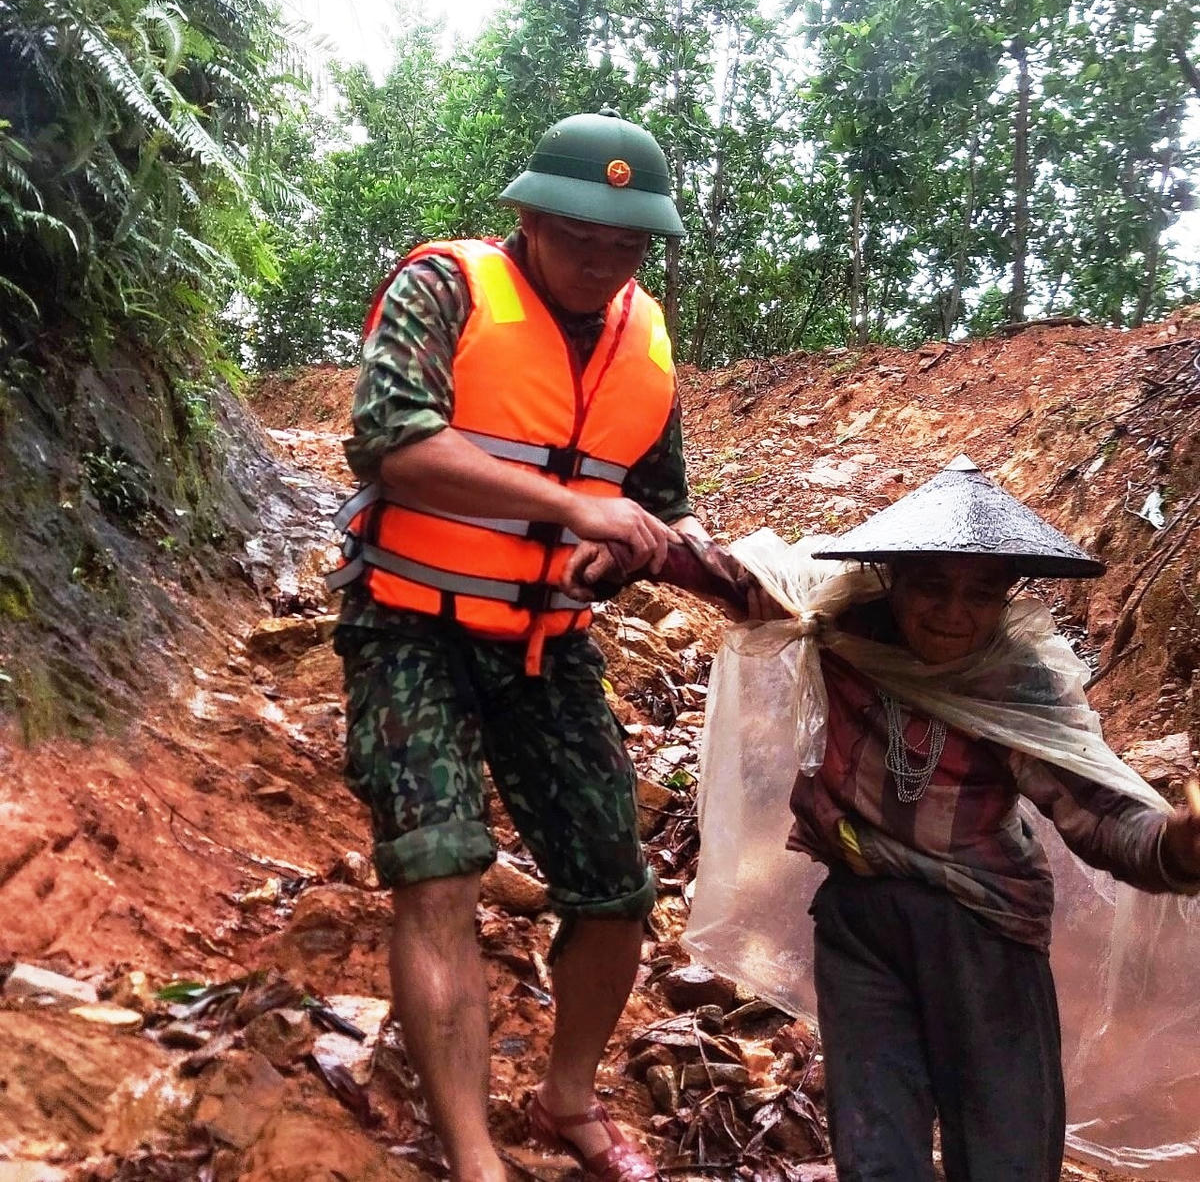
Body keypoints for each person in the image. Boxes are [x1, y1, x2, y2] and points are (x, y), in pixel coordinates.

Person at [575, 455, 1200, 1181]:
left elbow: (1099, 814)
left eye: (981, 593)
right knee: (877, 1155)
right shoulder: (842, 622)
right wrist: (647, 548)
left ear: (1007, 596)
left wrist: (1179, 847)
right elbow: (742, 578)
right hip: (862, 923)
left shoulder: (1017, 678)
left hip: (985, 931)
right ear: (893, 577)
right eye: (932, 585)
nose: (954, 613)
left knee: (1005, 1157)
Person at [327, 109, 709, 1182]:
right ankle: (473, 1154)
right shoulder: (446, 288)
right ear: (531, 219)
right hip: (409, 626)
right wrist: (575, 508)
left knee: (616, 889)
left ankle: (567, 1098)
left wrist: (630, 553)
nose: (602, 262)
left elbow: (661, 505)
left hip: (548, 644)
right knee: (439, 870)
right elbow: (393, 443)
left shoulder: (647, 340)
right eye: (581, 237)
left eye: (627, 245)